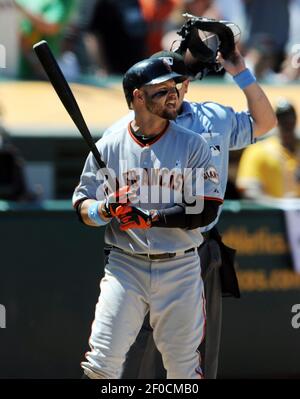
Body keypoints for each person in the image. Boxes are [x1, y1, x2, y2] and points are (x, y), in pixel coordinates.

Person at [102, 44, 277, 378]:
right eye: (163, 85)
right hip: (141, 247)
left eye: (178, 81)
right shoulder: (131, 126)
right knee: (134, 347)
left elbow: (265, 122)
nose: (173, 90)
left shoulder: (214, 116)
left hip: (197, 241)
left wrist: (239, 69)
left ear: (186, 83)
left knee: (192, 352)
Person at [72, 57, 224, 379]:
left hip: (179, 266)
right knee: (101, 363)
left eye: (175, 87)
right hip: (125, 265)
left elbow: (204, 210)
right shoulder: (109, 146)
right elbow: (82, 207)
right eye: (163, 89)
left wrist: (150, 217)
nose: (174, 95)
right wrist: (107, 208)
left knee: (183, 370)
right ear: (138, 96)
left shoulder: (194, 145)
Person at [237, 99, 300, 199]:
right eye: (282, 118)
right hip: (273, 213)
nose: (287, 123)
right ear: (276, 121)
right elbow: (249, 190)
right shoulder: (258, 150)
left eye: (290, 118)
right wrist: (281, 206)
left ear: (295, 120)